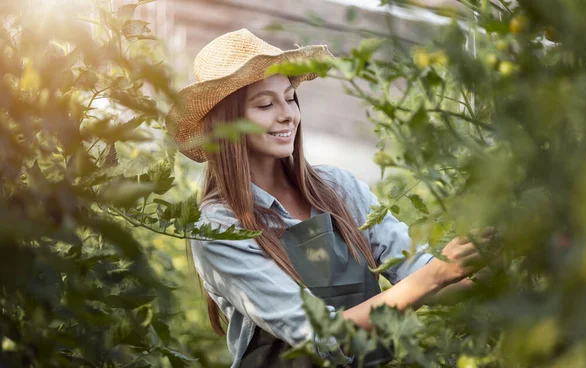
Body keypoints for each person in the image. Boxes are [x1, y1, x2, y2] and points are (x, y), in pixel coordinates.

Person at [167, 29, 487, 367]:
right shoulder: (219, 229)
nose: (287, 114)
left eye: (290, 98)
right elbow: (321, 332)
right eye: (264, 104)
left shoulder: (339, 188)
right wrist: (434, 275)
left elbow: (418, 272)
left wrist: (488, 268)